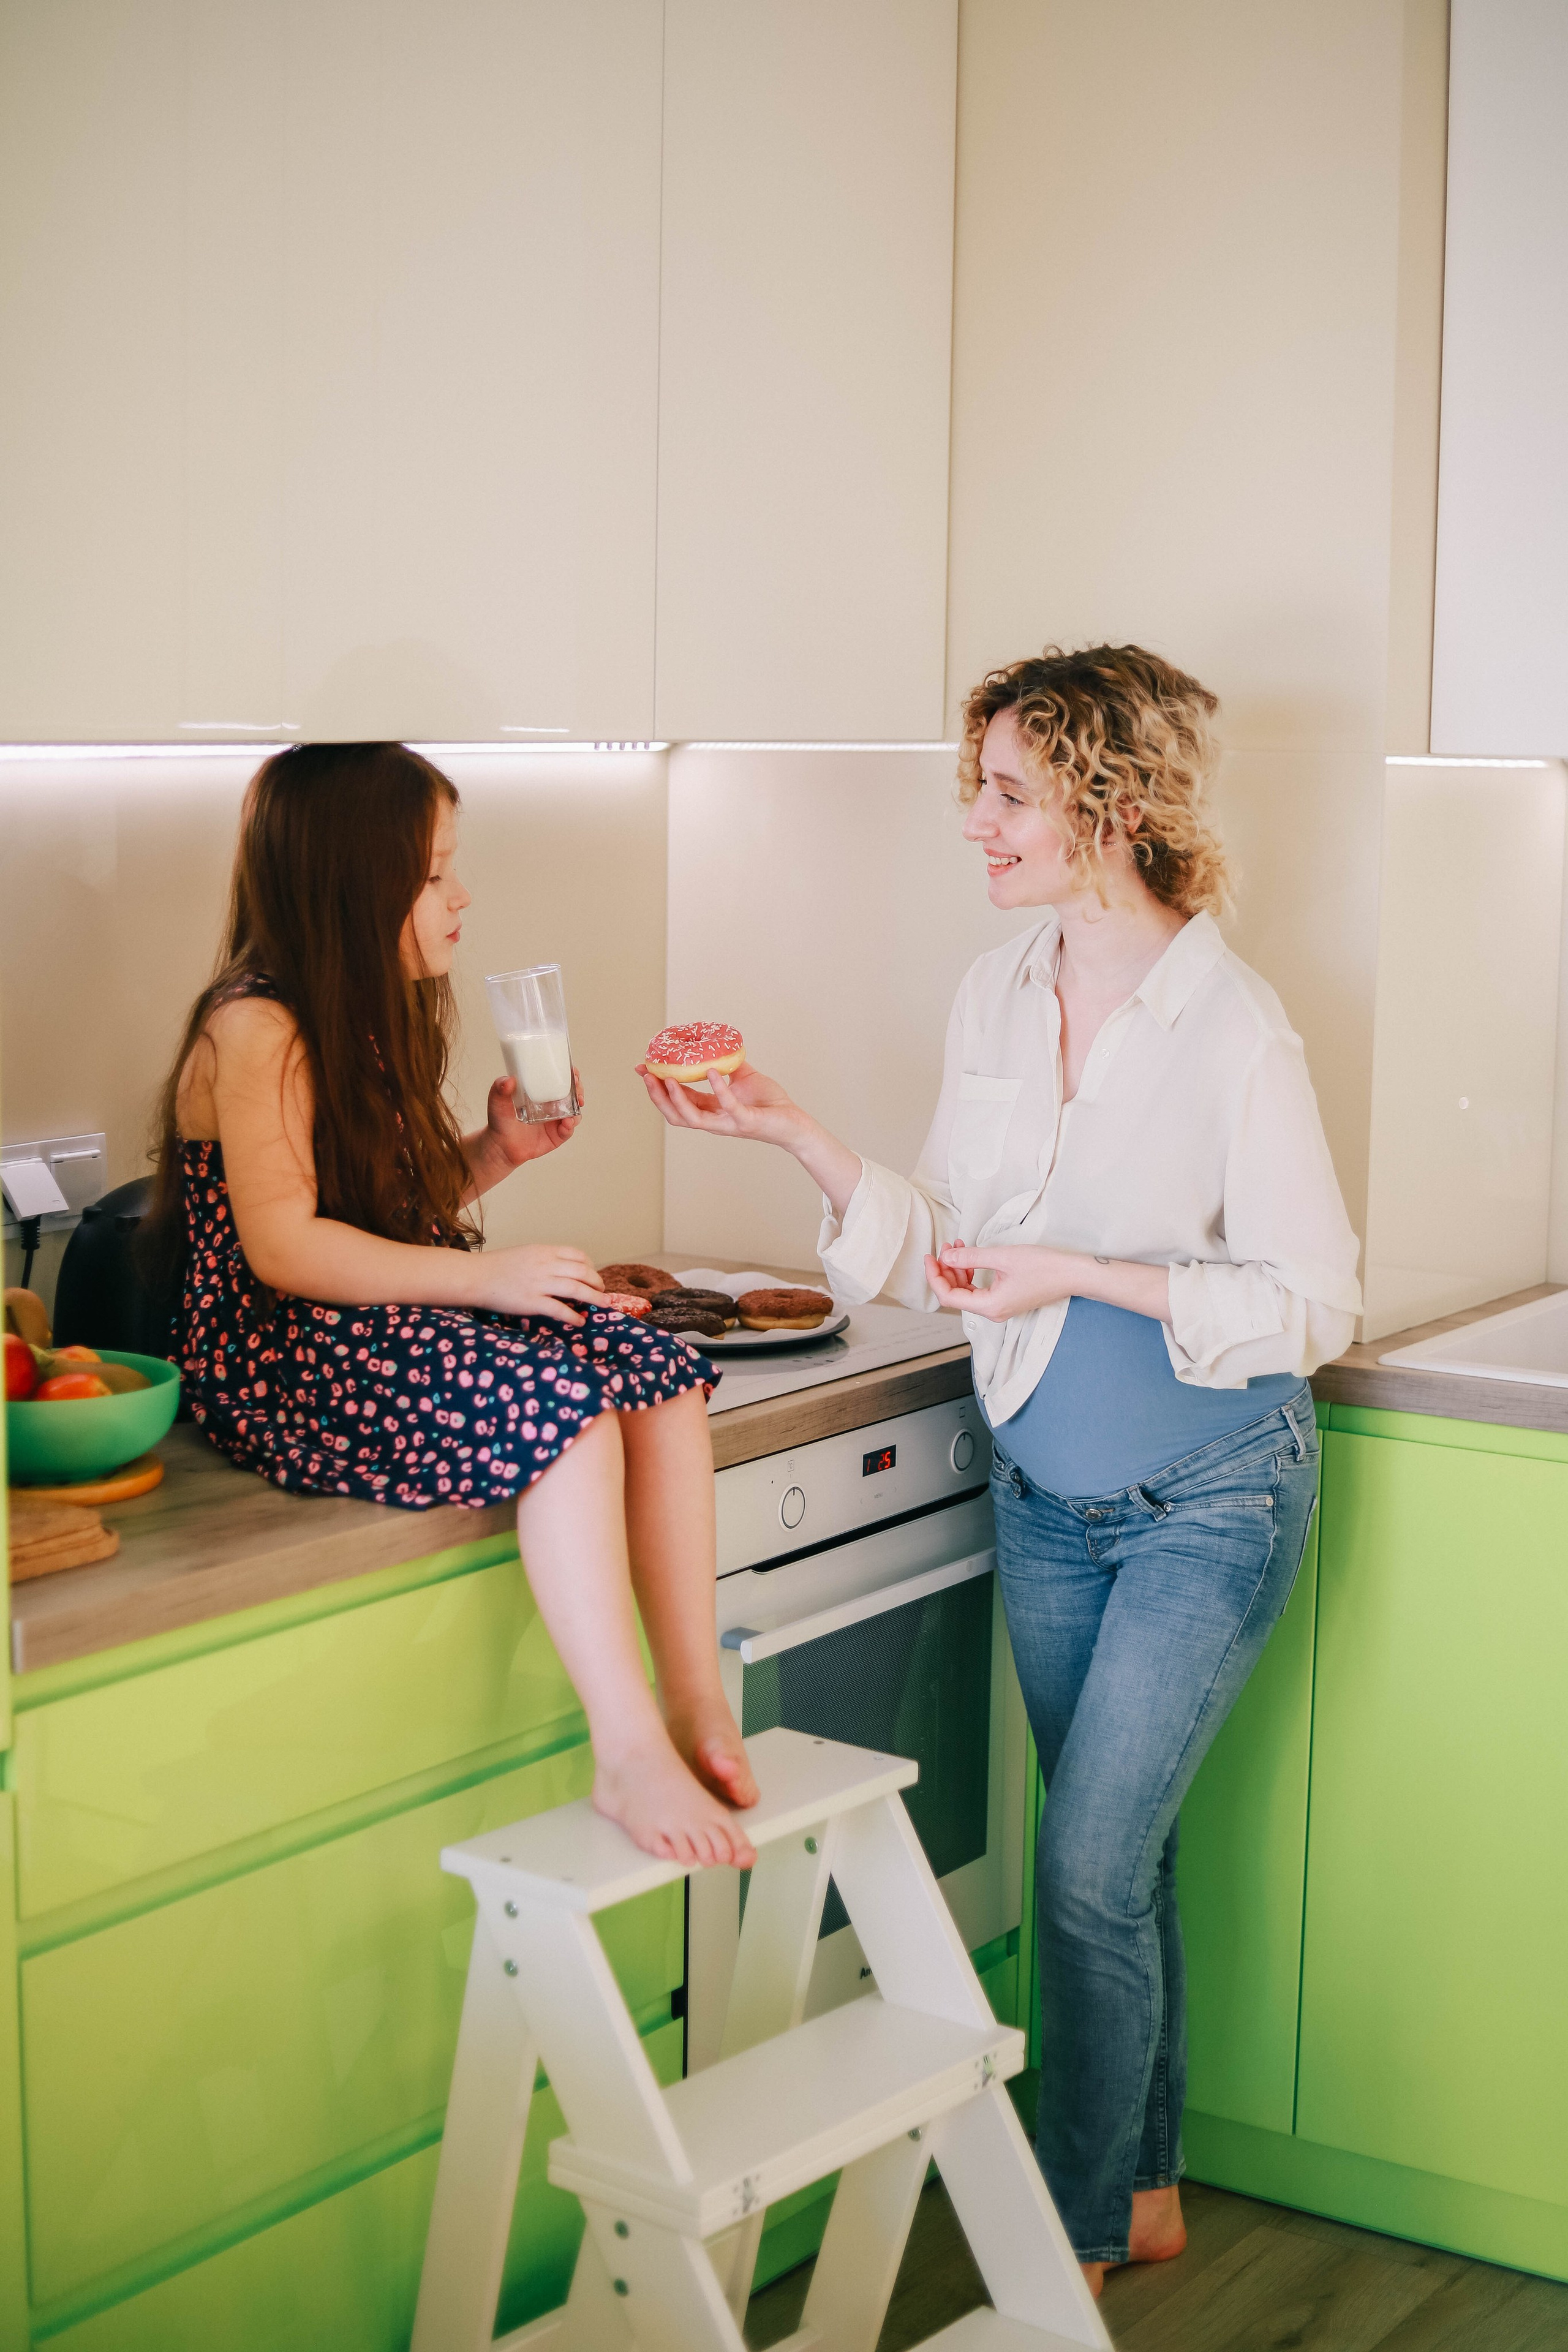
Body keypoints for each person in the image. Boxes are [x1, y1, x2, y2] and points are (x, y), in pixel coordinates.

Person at [639, 644, 1361, 2290]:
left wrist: (1084, 1276)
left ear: (1111, 804)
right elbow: (961, 1250)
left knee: (1086, 1869)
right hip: (1044, 1496)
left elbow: (1316, 1302)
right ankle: (1153, 2185)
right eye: (980, 788)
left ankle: (1072, 2237)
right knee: (1130, 1861)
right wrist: (787, 1128)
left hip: (1211, 1498)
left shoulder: (1235, 1031)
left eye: (1008, 793)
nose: (976, 823)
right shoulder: (994, 993)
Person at [148, 741, 756, 1869]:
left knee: (658, 1375)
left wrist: (494, 1154)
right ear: (352, 883)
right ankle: (623, 1747)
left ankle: (691, 1706)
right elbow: (284, 1250)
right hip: (282, 1356)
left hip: (369, 1323)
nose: (461, 895)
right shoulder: (255, 1027)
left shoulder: (361, 1015)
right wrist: (486, 1275)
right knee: (564, 1411)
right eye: (435, 874)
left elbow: (381, 1213)